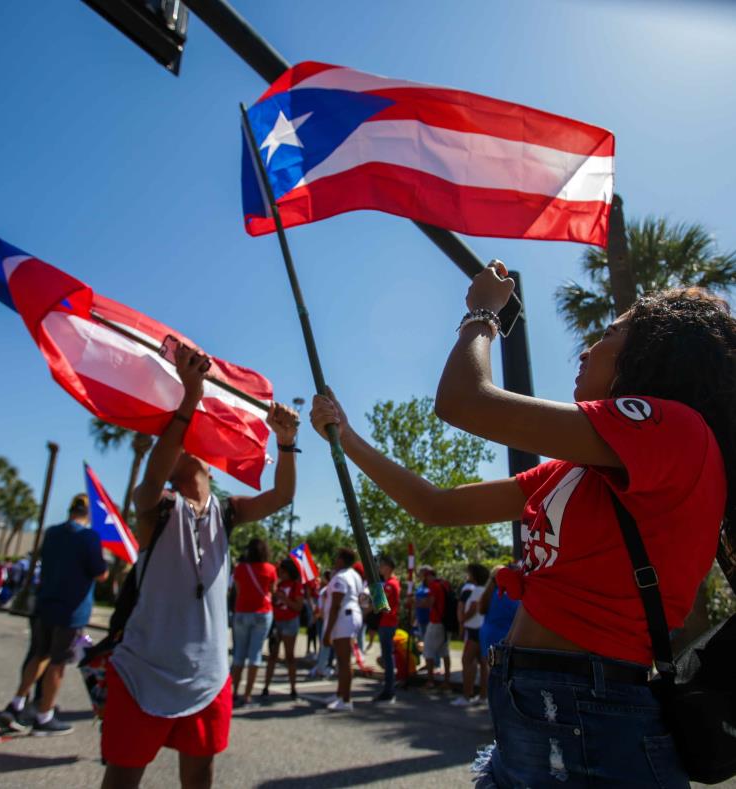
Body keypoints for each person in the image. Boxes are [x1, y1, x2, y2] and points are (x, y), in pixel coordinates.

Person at [310, 263, 735, 787]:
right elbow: (436, 505)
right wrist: (346, 437)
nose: (585, 350)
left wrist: (482, 316)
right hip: (538, 711)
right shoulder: (578, 470)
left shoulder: (676, 430)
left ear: (654, 351)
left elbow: (464, 401)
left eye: (608, 334)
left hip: (588, 721)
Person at [100, 344, 299, 789]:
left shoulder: (229, 512)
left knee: (200, 776)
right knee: (123, 775)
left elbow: (282, 496)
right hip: (143, 673)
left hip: (208, 677)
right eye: (176, 444)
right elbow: (152, 475)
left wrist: (286, 442)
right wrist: (192, 394)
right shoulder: (155, 508)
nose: (188, 446)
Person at [0, 493, 108, 735]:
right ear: (88, 513)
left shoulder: (52, 533)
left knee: (39, 654)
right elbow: (99, 572)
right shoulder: (89, 537)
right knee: (58, 662)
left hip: (45, 602)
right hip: (71, 610)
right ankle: (44, 715)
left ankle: (17, 703)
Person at [231, 538, 277, 707]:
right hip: (262, 612)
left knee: (238, 654)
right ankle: (248, 695)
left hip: (242, 612)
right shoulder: (271, 569)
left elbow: (238, 590)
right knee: (255, 655)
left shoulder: (240, 569)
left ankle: (234, 691)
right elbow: (272, 591)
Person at [322, 547, 364, 711]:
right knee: (342, 660)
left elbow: (335, 605)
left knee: (344, 661)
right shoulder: (354, 575)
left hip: (344, 618)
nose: (335, 560)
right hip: (350, 616)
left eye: (337, 557)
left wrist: (327, 633)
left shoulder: (340, 577)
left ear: (341, 560)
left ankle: (346, 700)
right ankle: (340, 693)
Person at [261, 558, 304, 701]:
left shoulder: (296, 586)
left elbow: (298, 607)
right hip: (277, 621)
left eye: (283, 571)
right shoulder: (278, 585)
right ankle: (266, 687)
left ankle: (293, 688)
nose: (280, 573)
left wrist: (284, 599)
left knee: (289, 656)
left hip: (290, 622)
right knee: (272, 655)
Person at [452, 562, 489, 707]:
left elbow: (474, 608)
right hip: (480, 629)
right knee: (483, 664)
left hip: (474, 630)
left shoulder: (477, 591)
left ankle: (467, 695)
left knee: (467, 661)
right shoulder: (484, 589)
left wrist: (463, 619)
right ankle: (483, 696)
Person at [478, 565, 520, 691]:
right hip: (504, 636)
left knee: (489, 670)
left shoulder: (491, 594)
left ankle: (484, 696)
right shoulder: (512, 597)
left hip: (487, 634)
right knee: (502, 675)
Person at [373, 554, 401, 703]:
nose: (380, 568)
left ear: (388, 567)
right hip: (387, 622)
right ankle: (388, 687)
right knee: (387, 656)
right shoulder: (390, 582)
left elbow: (380, 604)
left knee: (387, 657)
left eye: (382, 565)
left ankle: (389, 690)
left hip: (387, 622)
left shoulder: (390, 584)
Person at [421, 567, 452, 689]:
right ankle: (447, 681)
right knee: (445, 651)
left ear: (428, 576)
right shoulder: (445, 584)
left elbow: (430, 602)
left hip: (435, 623)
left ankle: (430, 681)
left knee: (428, 651)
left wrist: (416, 602)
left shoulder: (434, 586)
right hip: (446, 623)